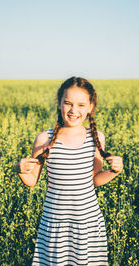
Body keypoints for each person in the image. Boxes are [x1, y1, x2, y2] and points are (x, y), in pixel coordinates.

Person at [15, 76, 123, 265]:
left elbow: (95, 179)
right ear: (59, 104)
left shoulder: (96, 137)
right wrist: (20, 169)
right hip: (55, 222)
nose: (74, 110)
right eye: (68, 104)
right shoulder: (45, 139)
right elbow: (32, 181)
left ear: (91, 107)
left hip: (87, 222)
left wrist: (115, 171)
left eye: (81, 105)